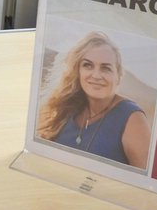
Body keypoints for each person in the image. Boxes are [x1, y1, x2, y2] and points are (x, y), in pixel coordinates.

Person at [36, 31, 150, 170]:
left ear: (118, 75)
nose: (96, 75)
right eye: (88, 65)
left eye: (106, 68)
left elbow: (144, 184)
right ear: (77, 71)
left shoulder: (132, 118)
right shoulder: (65, 107)